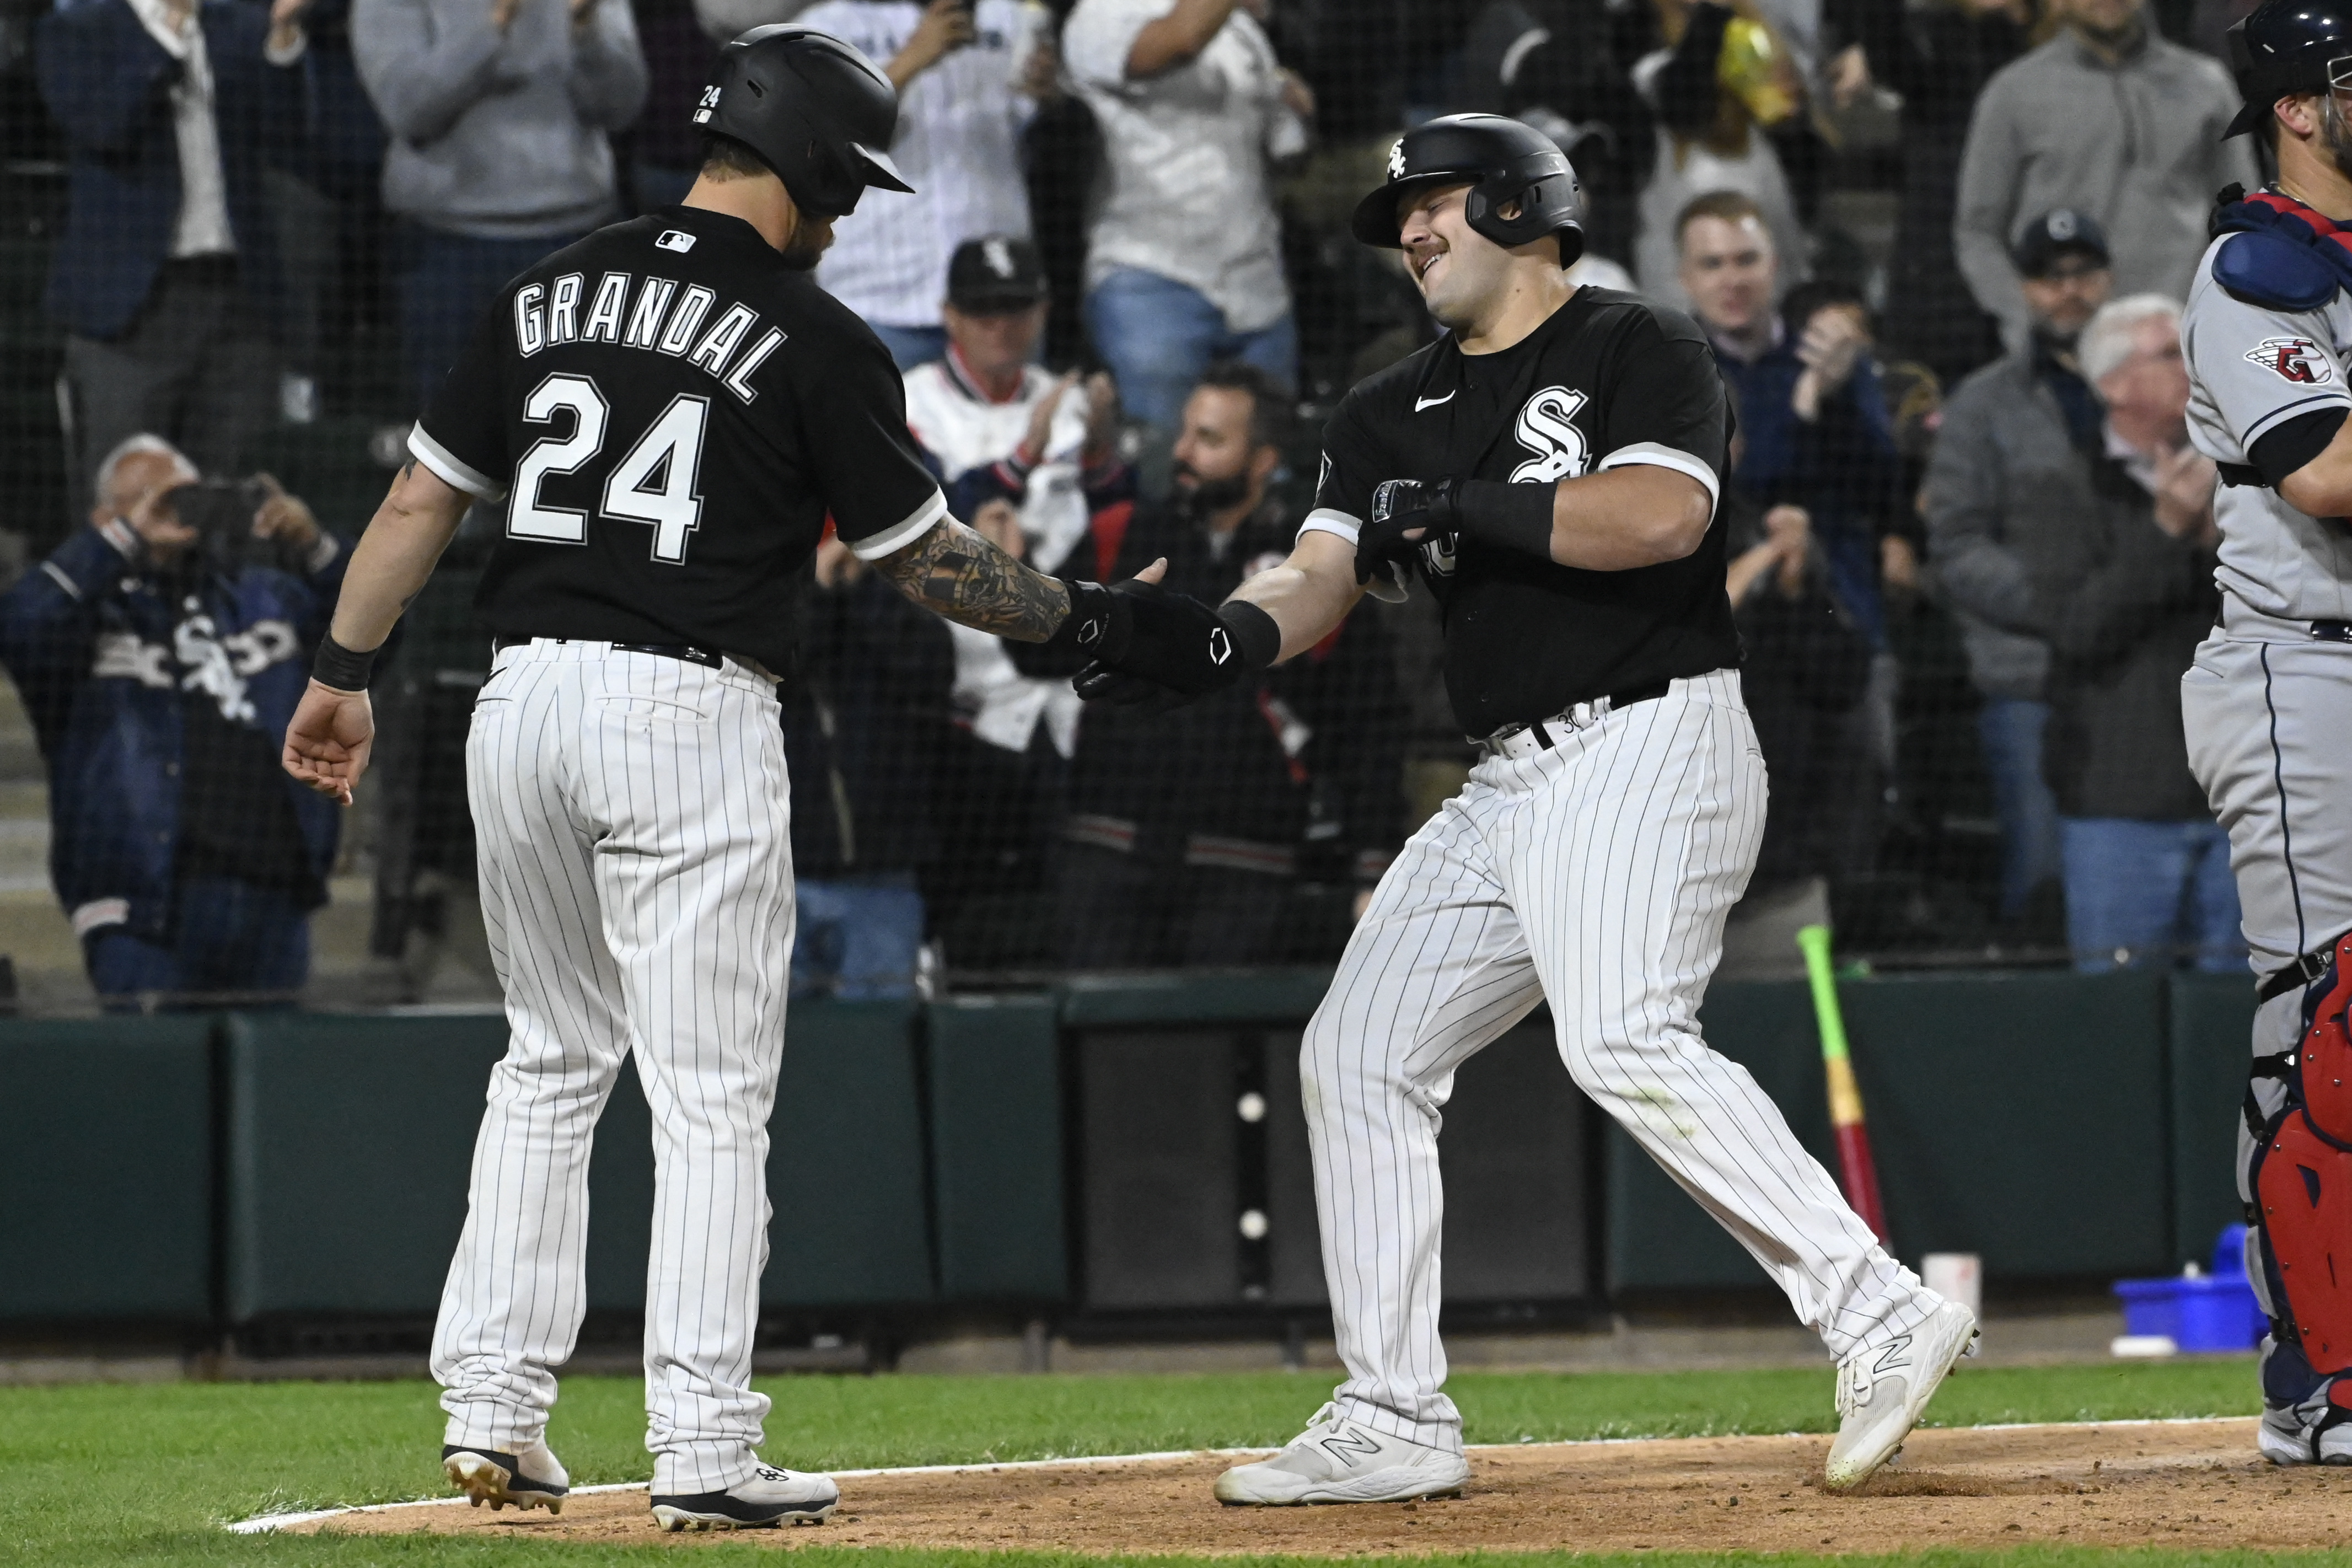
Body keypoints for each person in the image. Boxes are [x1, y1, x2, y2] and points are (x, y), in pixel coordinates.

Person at [280, 25, 1213, 1530]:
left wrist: (340, 672)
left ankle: (497, 1415)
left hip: (516, 700)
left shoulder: (548, 284)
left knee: (548, 1061)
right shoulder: (816, 330)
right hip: (682, 706)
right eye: (843, 186)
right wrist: (1100, 623)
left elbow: (415, 497)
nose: (846, 218)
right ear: (806, 168)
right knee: (710, 1094)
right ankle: (705, 1439)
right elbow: (932, 567)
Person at [1073, 113, 1975, 1505]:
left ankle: (1873, 1307)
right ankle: (1391, 1410)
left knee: (1618, 1030)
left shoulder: (1638, 345)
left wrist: (1460, 505)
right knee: (1357, 1050)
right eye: (1400, 219)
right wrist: (1218, 640)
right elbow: (1317, 572)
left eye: (1432, 205)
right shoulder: (1379, 410)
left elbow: (1659, 521)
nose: (1411, 234)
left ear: (1519, 202)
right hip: (1510, 778)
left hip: (1652, 733)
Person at [2177, 0, 2352, 1467]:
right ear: (2301, 107)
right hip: (2307, 677)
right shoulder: (2255, 272)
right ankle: (2317, 1374)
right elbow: (2329, 471)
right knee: (2323, 1027)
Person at [1048, 362, 1405, 966]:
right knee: (1102, 1054)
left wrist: (1375, 866)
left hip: (1246, 866)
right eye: (1186, 433)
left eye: (1210, 440)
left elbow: (1366, 725)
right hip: (1106, 854)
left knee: (1227, 1055)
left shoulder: (1314, 575)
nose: (1182, 453)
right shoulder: (1121, 533)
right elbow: (1034, 654)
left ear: (1264, 460)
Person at [0, 437, 346, 1005]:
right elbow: (20, 627)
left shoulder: (267, 596)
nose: (166, 509)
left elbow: (374, 640)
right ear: (103, 518)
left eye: (181, 496)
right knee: (157, 1089)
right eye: (144, 498)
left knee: (270, 1091)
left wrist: (315, 548)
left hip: (273, 901)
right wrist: (123, 539)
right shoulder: (85, 621)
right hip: (142, 910)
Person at [901, 237, 1132, 959]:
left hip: (1066, 700)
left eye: (1016, 308)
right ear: (948, 316)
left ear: (1043, 311)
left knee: (1076, 910)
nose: (1000, 326)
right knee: (967, 915)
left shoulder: (1070, 404)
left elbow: (1116, 526)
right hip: (960, 705)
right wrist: (1021, 460)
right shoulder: (908, 401)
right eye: (983, 311)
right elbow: (924, 519)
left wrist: (1098, 459)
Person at [35, 0, 312, 526]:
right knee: (124, 502)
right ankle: (118, 610)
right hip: (132, 310)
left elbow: (292, 139)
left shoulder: (237, 25)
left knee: (232, 498)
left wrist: (282, 41)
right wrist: (170, 36)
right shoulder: (76, 29)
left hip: (239, 301)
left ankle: (223, 609)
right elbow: (103, 125)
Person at [1924, 208, 2116, 935]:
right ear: (2023, 288)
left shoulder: (2156, 386)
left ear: (2108, 279)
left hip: (2144, 678)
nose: (2067, 292)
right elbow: (1956, 544)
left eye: (2081, 274)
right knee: (2041, 869)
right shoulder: (1982, 403)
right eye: (2048, 277)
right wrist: (2061, 606)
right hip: (2028, 676)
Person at [2034, 294, 2238, 971]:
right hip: (2121, 810)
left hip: (2239, 802)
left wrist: (2216, 546)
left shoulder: (2252, 482)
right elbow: (2076, 630)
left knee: (2242, 1026)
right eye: (2169, 354)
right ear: (2113, 383)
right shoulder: (2061, 490)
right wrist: (2165, 535)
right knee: (2116, 1028)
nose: (2193, 367)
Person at [351, 0, 648, 411]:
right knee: (454, 445)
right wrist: (495, 23)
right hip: (450, 250)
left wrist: (585, 30)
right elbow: (409, 109)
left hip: (577, 240)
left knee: (586, 433)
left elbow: (622, 107)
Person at [1952, 0, 2253, 357]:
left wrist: (2216, 315)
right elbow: (1978, 231)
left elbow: (2244, 218)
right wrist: (2024, 318)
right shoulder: (2013, 92)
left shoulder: (2207, 84)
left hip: (2181, 345)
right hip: (2063, 349)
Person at [1063, 0, 1309, 432]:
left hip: (1257, 287)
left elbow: (1286, 150)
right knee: (1162, 467)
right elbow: (1180, 41)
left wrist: (1298, 114)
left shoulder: (1239, 30)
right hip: (1151, 281)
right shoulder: (1101, 14)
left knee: (1266, 467)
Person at [794, 0, 1055, 369]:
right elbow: (813, 142)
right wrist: (911, 59)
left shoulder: (1006, 15)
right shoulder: (825, 27)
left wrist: (1048, 91)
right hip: (877, 300)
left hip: (996, 297)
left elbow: (1039, 129)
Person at [783, 537, 957, 997]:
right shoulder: (761, 610)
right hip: (780, 875)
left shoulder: (888, 617)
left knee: (880, 1043)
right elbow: (786, 663)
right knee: (781, 1048)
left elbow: (931, 667)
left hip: (882, 876)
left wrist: (863, 584)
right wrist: (816, 589)